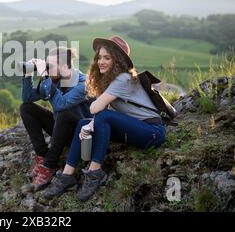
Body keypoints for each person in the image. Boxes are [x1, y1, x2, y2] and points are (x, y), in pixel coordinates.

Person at [43, 36, 166, 201]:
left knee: (102, 116)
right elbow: (99, 115)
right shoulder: (109, 81)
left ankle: (95, 172)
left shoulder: (123, 78)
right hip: (132, 128)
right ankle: (67, 176)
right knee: (82, 123)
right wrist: (89, 126)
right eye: (99, 57)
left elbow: (95, 108)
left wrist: (93, 122)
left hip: (152, 132)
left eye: (107, 58)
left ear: (118, 61)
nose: (101, 61)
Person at [20, 47, 92, 190]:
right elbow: (27, 98)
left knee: (65, 112)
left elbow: (60, 105)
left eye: (51, 66)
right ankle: (42, 155)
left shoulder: (83, 84)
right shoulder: (55, 79)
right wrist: (28, 74)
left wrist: (45, 76)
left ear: (65, 67)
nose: (47, 68)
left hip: (80, 136)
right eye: (46, 64)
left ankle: (49, 164)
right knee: (26, 108)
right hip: (62, 129)